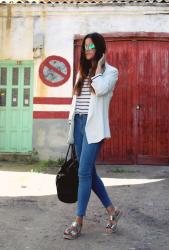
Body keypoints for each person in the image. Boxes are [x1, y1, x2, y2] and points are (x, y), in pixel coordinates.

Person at [64, 32, 122, 240]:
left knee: (83, 173)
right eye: (85, 47)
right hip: (79, 124)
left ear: (99, 47)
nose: (87, 50)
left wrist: (98, 69)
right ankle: (112, 211)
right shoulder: (81, 71)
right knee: (89, 172)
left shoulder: (110, 72)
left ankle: (78, 221)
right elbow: (76, 100)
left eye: (91, 46)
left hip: (94, 128)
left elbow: (102, 89)